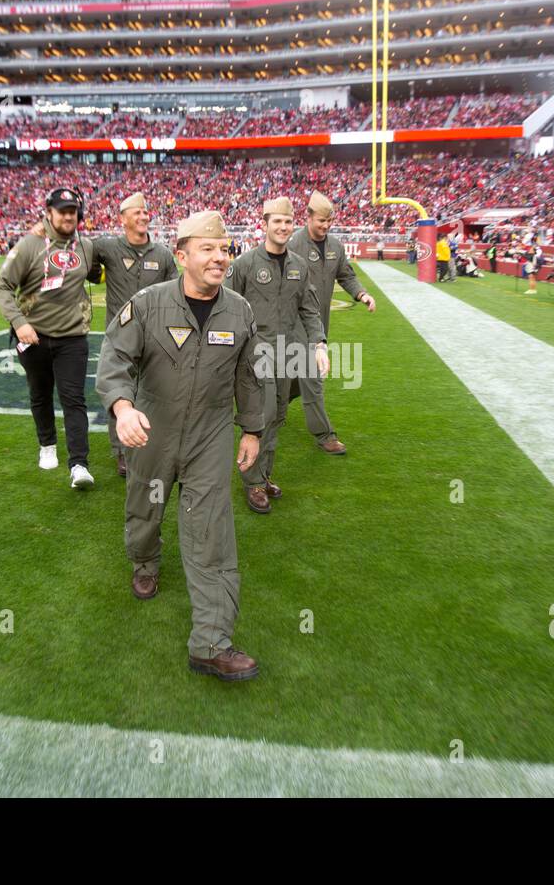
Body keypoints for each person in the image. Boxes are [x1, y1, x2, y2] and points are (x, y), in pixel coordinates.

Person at [95, 210, 265, 680]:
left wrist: (251, 430)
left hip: (210, 435)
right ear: (182, 254)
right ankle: (145, 560)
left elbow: (249, 376)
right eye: (208, 249)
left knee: (212, 530)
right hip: (153, 429)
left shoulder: (239, 310)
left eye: (225, 249)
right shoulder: (148, 304)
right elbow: (114, 360)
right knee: (146, 511)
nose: (219, 258)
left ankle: (211, 642)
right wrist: (123, 409)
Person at [0, 186, 100, 490]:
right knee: (40, 394)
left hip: (72, 337)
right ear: (49, 213)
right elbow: (2, 287)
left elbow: (100, 271)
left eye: (73, 211)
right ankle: (47, 444)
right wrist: (18, 322)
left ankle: (79, 464)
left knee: (74, 399)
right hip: (34, 336)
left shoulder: (86, 246)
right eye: (63, 210)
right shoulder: (29, 245)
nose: (69, 216)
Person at [226, 196, 328, 514]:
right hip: (256, 355)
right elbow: (226, 306)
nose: (283, 227)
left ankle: (263, 474)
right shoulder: (244, 264)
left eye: (287, 222)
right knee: (263, 414)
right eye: (277, 222)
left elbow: (309, 309)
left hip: (288, 353)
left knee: (278, 416)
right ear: (264, 225)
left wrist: (319, 344)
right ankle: (252, 482)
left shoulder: (299, 265)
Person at [87, 193, 178, 478]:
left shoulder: (162, 254)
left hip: (154, 336)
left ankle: (152, 440)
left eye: (145, 212)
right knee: (120, 393)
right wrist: (92, 273)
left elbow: (176, 292)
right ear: (123, 218)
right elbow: (78, 249)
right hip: (120, 338)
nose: (143, 217)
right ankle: (122, 452)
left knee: (153, 391)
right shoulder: (107, 247)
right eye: (136, 213)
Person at [285, 190, 376, 456]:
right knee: (313, 376)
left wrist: (362, 294)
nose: (325, 226)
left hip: (320, 322)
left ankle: (270, 408)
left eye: (329, 222)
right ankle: (325, 434)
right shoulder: (292, 245)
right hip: (296, 323)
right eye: (320, 221)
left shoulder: (336, 246)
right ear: (308, 216)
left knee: (291, 379)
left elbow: (346, 275)